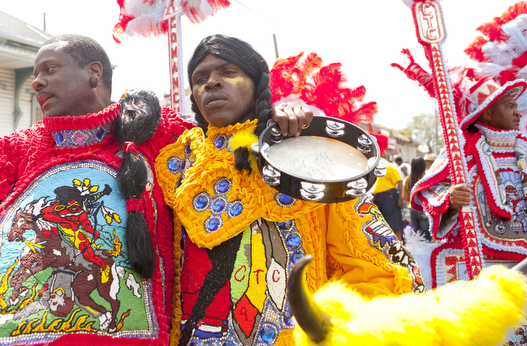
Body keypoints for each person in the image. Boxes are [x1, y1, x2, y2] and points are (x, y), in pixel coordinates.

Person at [0, 34, 306, 346]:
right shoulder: (16, 151)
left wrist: (279, 117)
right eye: (35, 74)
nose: (37, 82)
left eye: (49, 70)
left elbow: (223, 140)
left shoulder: (156, 132)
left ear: (94, 72)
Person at [155, 34, 424, 346]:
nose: (212, 82)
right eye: (200, 78)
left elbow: (375, 269)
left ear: (257, 84)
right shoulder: (177, 159)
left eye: (228, 72)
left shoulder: (307, 150)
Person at [411, 77, 527, 271]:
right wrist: (449, 198)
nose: (517, 112)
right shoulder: (461, 152)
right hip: (481, 259)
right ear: (489, 114)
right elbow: (429, 189)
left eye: (516, 106)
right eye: (510, 106)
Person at [371, 162, 405, 241]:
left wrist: (401, 199)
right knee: (382, 226)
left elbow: (399, 182)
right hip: (378, 198)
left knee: (394, 225)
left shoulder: (389, 167)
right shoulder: (374, 167)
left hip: (389, 197)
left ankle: (399, 247)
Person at [403, 157, 431, 241]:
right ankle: (427, 253)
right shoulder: (426, 178)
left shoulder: (408, 179)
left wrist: (412, 201)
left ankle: (419, 253)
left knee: (417, 235)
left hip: (412, 208)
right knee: (426, 236)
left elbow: (404, 196)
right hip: (424, 208)